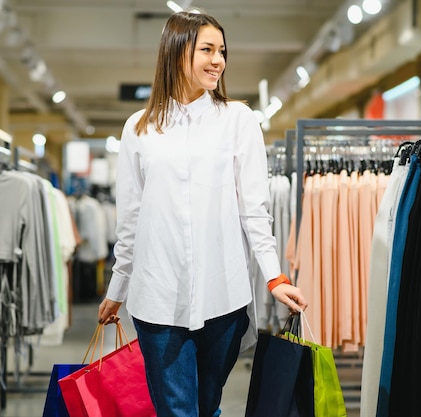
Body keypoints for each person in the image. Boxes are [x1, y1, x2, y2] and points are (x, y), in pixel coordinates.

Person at [98, 10, 308, 417]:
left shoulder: (238, 120)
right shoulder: (139, 128)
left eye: (222, 51)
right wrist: (117, 288)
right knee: (179, 411)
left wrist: (274, 276)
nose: (218, 61)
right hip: (157, 299)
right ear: (177, 53)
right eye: (207, 50)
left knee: (208, 407)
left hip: (223, 298)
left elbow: (254, 209)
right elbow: (131, 219)